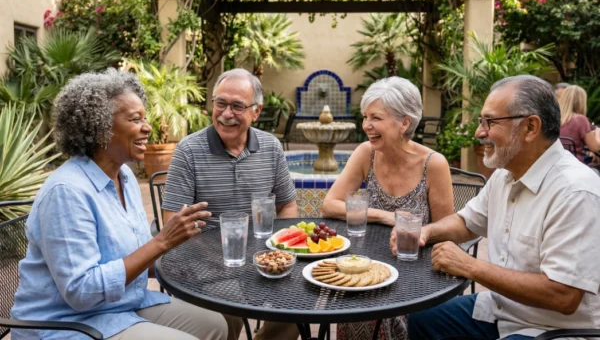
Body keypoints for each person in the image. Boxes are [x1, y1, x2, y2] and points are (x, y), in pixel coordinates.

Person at [10, 71, 228, 340]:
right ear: (100, 128)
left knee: (215, 323)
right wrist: (162, 242)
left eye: (144, 118)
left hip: (120, 306)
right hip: (64, 323)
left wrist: (190, 262)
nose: (147, 127)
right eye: (135, 119)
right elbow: (81, 291)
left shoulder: (125, 179)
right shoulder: (67, 192)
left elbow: (128, 256)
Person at [401, 75, 600, 339]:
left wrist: (469, 266)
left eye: (489, 122)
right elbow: (466, 222)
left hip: (555, 329)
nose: (479, 132)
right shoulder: (506, 174)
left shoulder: (575, 191)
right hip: (502, 311)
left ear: (530, 127)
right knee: (423, 319)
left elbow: (563, 296)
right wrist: (425, 232)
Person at [162, 68, 299, 340]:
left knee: (300, 303)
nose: (226, 113)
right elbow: (172, 223)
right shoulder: (189, 151)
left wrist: (276, 252)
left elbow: (287, 206)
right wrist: (215, 259)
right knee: (228, 307)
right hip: (206, 263)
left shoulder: (271, 147)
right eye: (221, 103)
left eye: (238, 106)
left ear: (256, 112)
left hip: (262, 258)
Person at [322, 76, 454, 340]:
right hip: (367, 265)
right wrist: (387, 216)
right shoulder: (366, 153)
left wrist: (420, 232)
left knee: (381, 309)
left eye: (376, 118)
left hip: (415, 271)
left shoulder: (433, 164)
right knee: (351, 298)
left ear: (405, 122)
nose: (366, 126)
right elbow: (329, 205)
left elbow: (447, 231)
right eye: (365, 117)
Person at [558, 84, 600, 163]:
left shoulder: (554, 118)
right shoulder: (580, 120)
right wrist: (598, 133)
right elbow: (595, 148)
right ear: (582, 102)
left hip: (556, 163)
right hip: (575, 164)